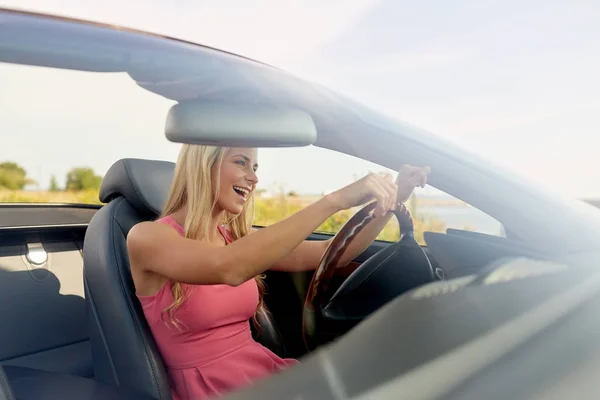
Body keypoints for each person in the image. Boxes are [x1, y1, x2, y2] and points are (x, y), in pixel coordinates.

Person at [127, 144, 430, 400]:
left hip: (262, 374)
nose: (253, 177)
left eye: (255, 166)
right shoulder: (148, 238)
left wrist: (396, 197)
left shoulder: (235, 240)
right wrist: (334, 201)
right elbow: (228, 267)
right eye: (241, 162)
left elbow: (335, 254)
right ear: (203, 164)